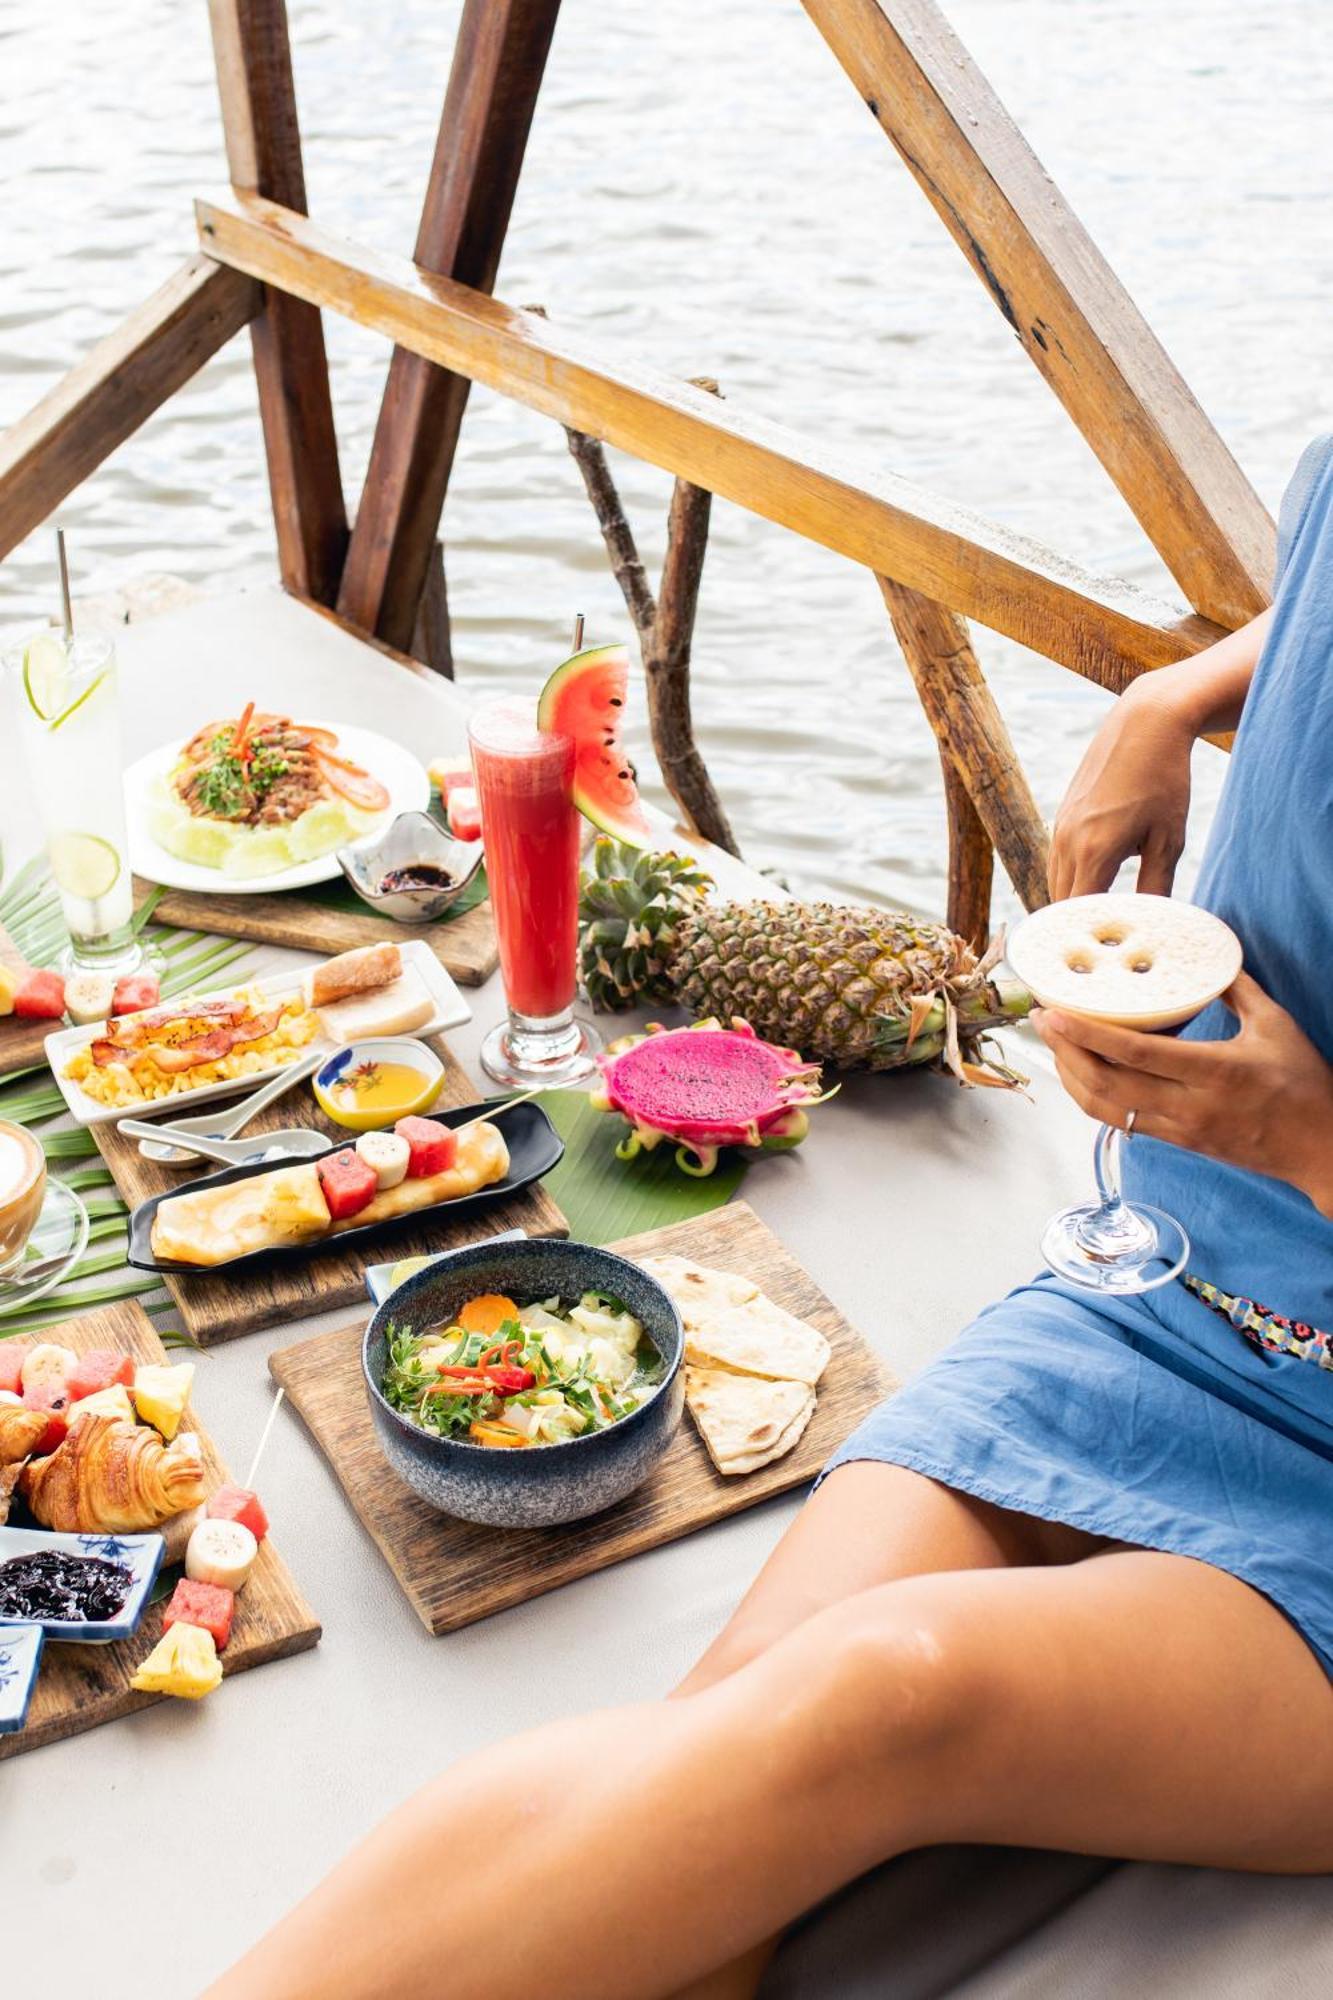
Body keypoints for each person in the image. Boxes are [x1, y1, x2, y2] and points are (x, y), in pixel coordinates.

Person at [208, 439, 1333, 2000]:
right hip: (1175, 1292)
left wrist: (1308, 1139)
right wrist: (1180, 692)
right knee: (715, 1756)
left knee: (879, 1695)